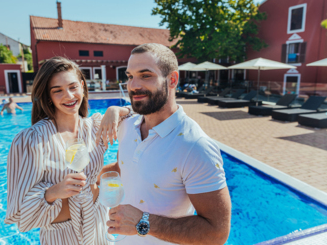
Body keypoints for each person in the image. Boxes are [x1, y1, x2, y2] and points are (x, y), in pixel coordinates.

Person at [97, 43, 231, 245]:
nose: (133, 85)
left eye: (146, 75)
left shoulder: (196, 146)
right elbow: (122, 168)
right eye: (130, 76)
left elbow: (217, 233)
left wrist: (143, 223)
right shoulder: (126, 126)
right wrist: (87, 175)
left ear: (172, 80)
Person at [5, 56, 130, 245]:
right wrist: (53, 192)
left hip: (98, 226)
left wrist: (117, 110)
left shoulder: (96, 126)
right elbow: (18, 213)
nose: (69, 96)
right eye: (58, 91)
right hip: (61, 237)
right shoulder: (31, 140)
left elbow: (144, 117)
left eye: (73, 87)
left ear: (82, 86)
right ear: (48, 96)